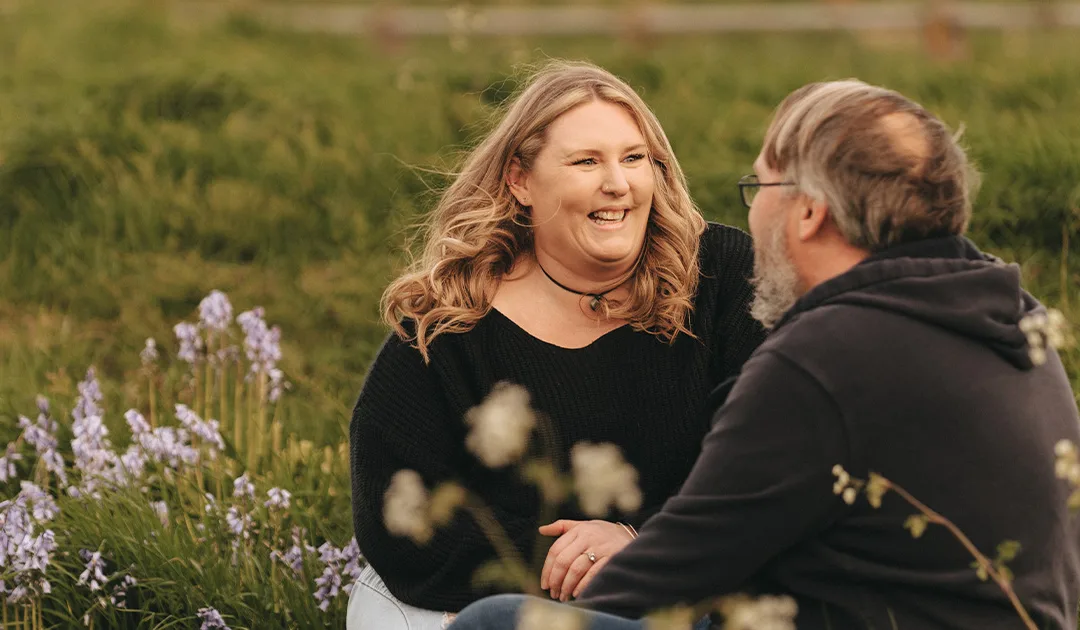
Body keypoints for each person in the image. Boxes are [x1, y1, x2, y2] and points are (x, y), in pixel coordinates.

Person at [448, 79, 1080, 630]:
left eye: (760, 188)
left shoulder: (826, 355)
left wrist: (576, 593)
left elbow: (671, 571)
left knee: (494, 624)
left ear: (808, 212)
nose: (752, 219)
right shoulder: (1011, 317)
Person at [346, 60, 767, 630]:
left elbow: (768, 457)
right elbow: (394, 515)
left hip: (693, 590)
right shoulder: (448, 324)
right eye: (586, 161)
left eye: (634, 158)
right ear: (520, 180)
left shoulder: (719, 273)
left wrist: (640, 540)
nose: (617, 183)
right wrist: (574, 563)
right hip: (504, 600)